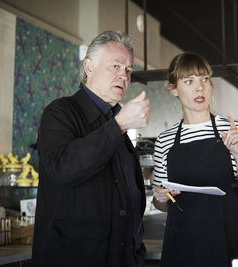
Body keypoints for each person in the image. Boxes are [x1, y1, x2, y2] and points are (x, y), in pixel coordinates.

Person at [32, 30, 150, 267]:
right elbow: (63, 167)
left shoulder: (116, 122)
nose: (123, 76)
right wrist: (119, 125)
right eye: (115, 66)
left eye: (128, 70)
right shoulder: (60, 112)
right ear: (89, 67)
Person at [152, 52, 238, 267]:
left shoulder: (235, 130)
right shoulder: (164, 140)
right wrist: (161, 198)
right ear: (173, 89)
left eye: (205, 79)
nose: (200, 87)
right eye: (189, 81)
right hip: (183, 246)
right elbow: (162, 204)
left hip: (230, 242)